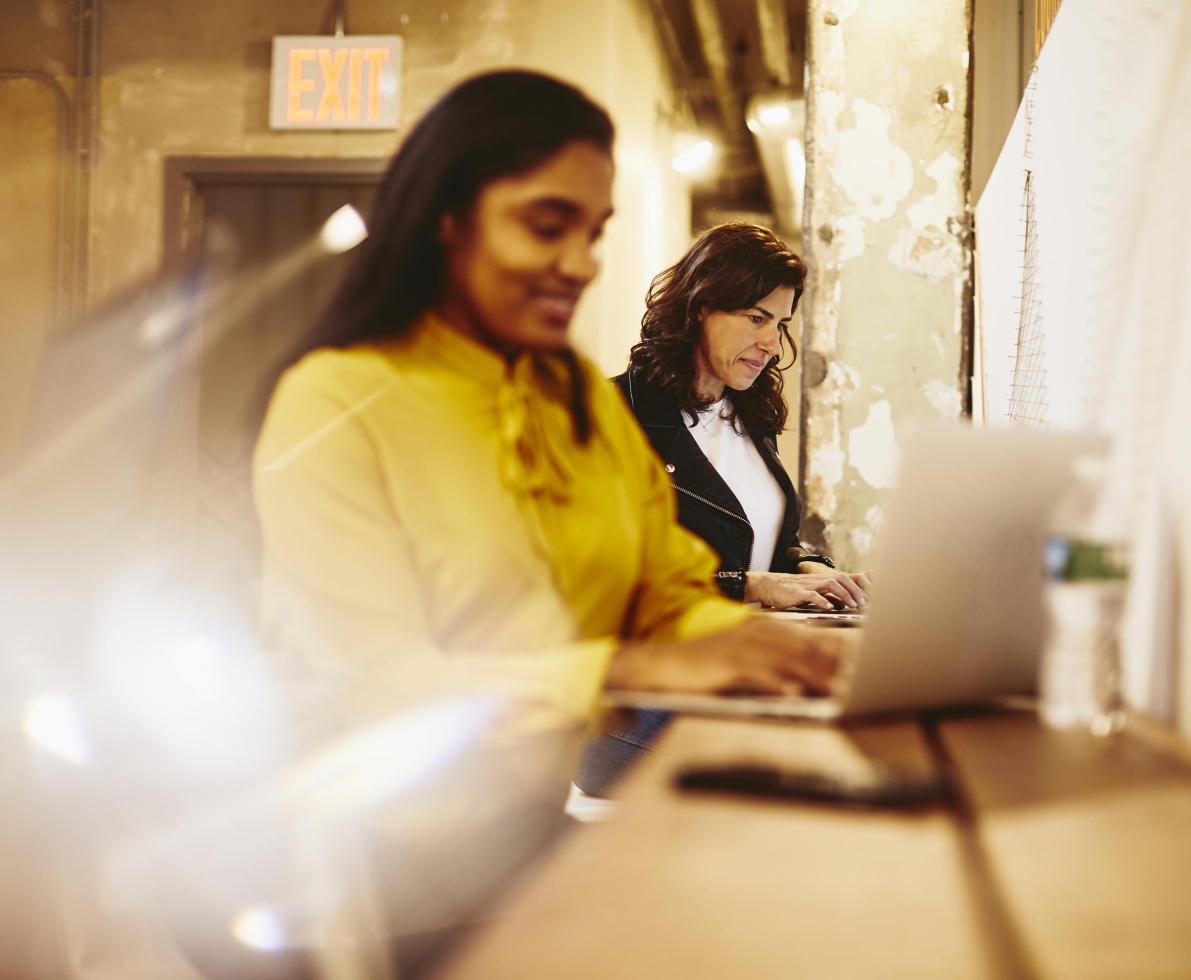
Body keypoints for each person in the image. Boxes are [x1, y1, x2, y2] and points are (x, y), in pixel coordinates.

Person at [253, 72, 847, 752]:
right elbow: (367, 680)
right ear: (444, 219)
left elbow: (662, 592)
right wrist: (625, 668)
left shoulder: (578, 402)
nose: (581, 265)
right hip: (368, 837)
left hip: (536, 812)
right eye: (545, 227)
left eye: (592, 234)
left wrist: (771, 648)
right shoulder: (336, 401)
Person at [574, 224, 871, 796]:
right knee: (813, 760)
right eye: (755, 317)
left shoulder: (745, 418)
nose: (771, 342)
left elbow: (764, 536)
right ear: (699, 308)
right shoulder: (610, 416)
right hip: (639, 703)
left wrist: (806, 566)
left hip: (734, 673)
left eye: (781, 323)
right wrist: (753, 586)